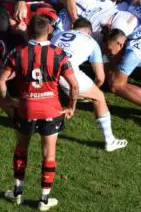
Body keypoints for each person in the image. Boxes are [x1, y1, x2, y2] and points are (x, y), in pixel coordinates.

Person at [0, 14, 78, 211]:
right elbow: (74, 86)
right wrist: (71, 106)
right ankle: (44, 200)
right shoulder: (59, 53)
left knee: (21, 148)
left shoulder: (18, 52)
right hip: (52, 109)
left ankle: (17, 193)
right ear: (49, 31)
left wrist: (7, 100)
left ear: (29, 31)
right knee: (49, 153)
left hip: (27, 108)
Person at [51, 18, 127, 151]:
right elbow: (100, 77)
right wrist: (92, 92)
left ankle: (42, 124)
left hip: (45, 70)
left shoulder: (58, 34)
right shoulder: (91, 42)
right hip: (67, 72)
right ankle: (110, 141)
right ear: (89, 32)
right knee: (99, 97)